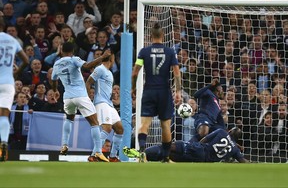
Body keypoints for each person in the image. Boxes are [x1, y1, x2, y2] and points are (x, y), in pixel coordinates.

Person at [51, 41, 110, 162]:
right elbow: (87, 66)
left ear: (61, 51)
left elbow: (53, 79)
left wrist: (55, 89)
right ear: (72, 51)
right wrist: (102, 57)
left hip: (67, 97)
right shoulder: (74, 59)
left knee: (69, 119)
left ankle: (64, 145)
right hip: (80, 96)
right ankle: (98, 151)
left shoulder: (56, 64)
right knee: (94, 123)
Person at [131, 22, 182, 163]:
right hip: (164, 92)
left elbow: (135, 72)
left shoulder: (144, 52)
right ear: (163, 36)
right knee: (165, 125)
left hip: (149, 91)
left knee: (144, 124)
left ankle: (142, 153)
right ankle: (166, 158)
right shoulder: (170, 51)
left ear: (150, 35)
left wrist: (133, 87)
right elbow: (176, 72)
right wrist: (178, 91)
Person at [0, 17, 29, 161]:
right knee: (4, 115)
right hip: (7, 82)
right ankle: (4, 142)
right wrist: (16, 73)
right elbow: (26, 60)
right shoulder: (12, 40)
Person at [86, 52, 124, 162]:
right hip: (101, 103)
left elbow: (104, 88)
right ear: (111, 59)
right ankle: (94, 155)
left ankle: (112, 156)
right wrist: (88, 98)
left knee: (120, 128)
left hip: (109, 103)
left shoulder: (109, 72)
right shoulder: (100, 69)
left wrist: (112, 95)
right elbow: (88, 82)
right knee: (107, 128)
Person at [142, 128, 249, 163]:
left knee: (167, 147)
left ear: (229, 131)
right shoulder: (235, 150)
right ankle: (145, 158)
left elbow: (205, 139)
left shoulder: (222, 131)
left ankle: (142, 154)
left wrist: (195, 145)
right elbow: (242, 161)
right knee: (168, 156)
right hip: (201, 160)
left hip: (199, 149)